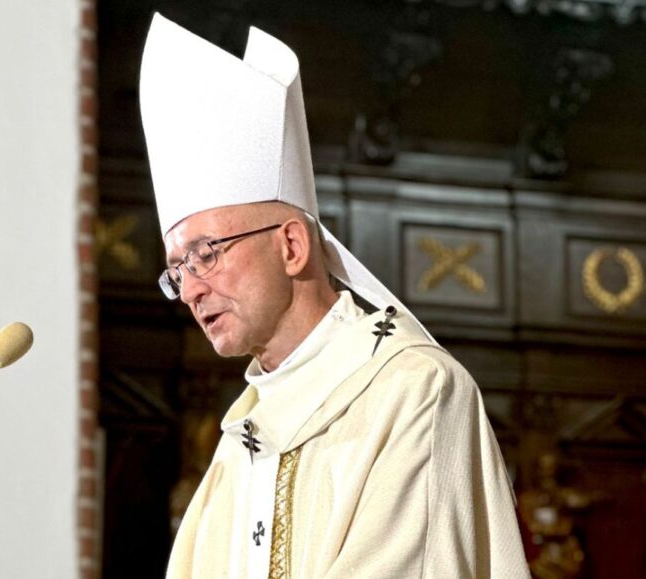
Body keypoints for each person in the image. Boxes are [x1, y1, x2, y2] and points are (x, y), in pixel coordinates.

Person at [139, 14, 530, 578]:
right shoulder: (238, 446)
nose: (191, 289)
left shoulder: (413, 391)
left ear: (292, 245)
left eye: (206, 254)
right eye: (177, 271)